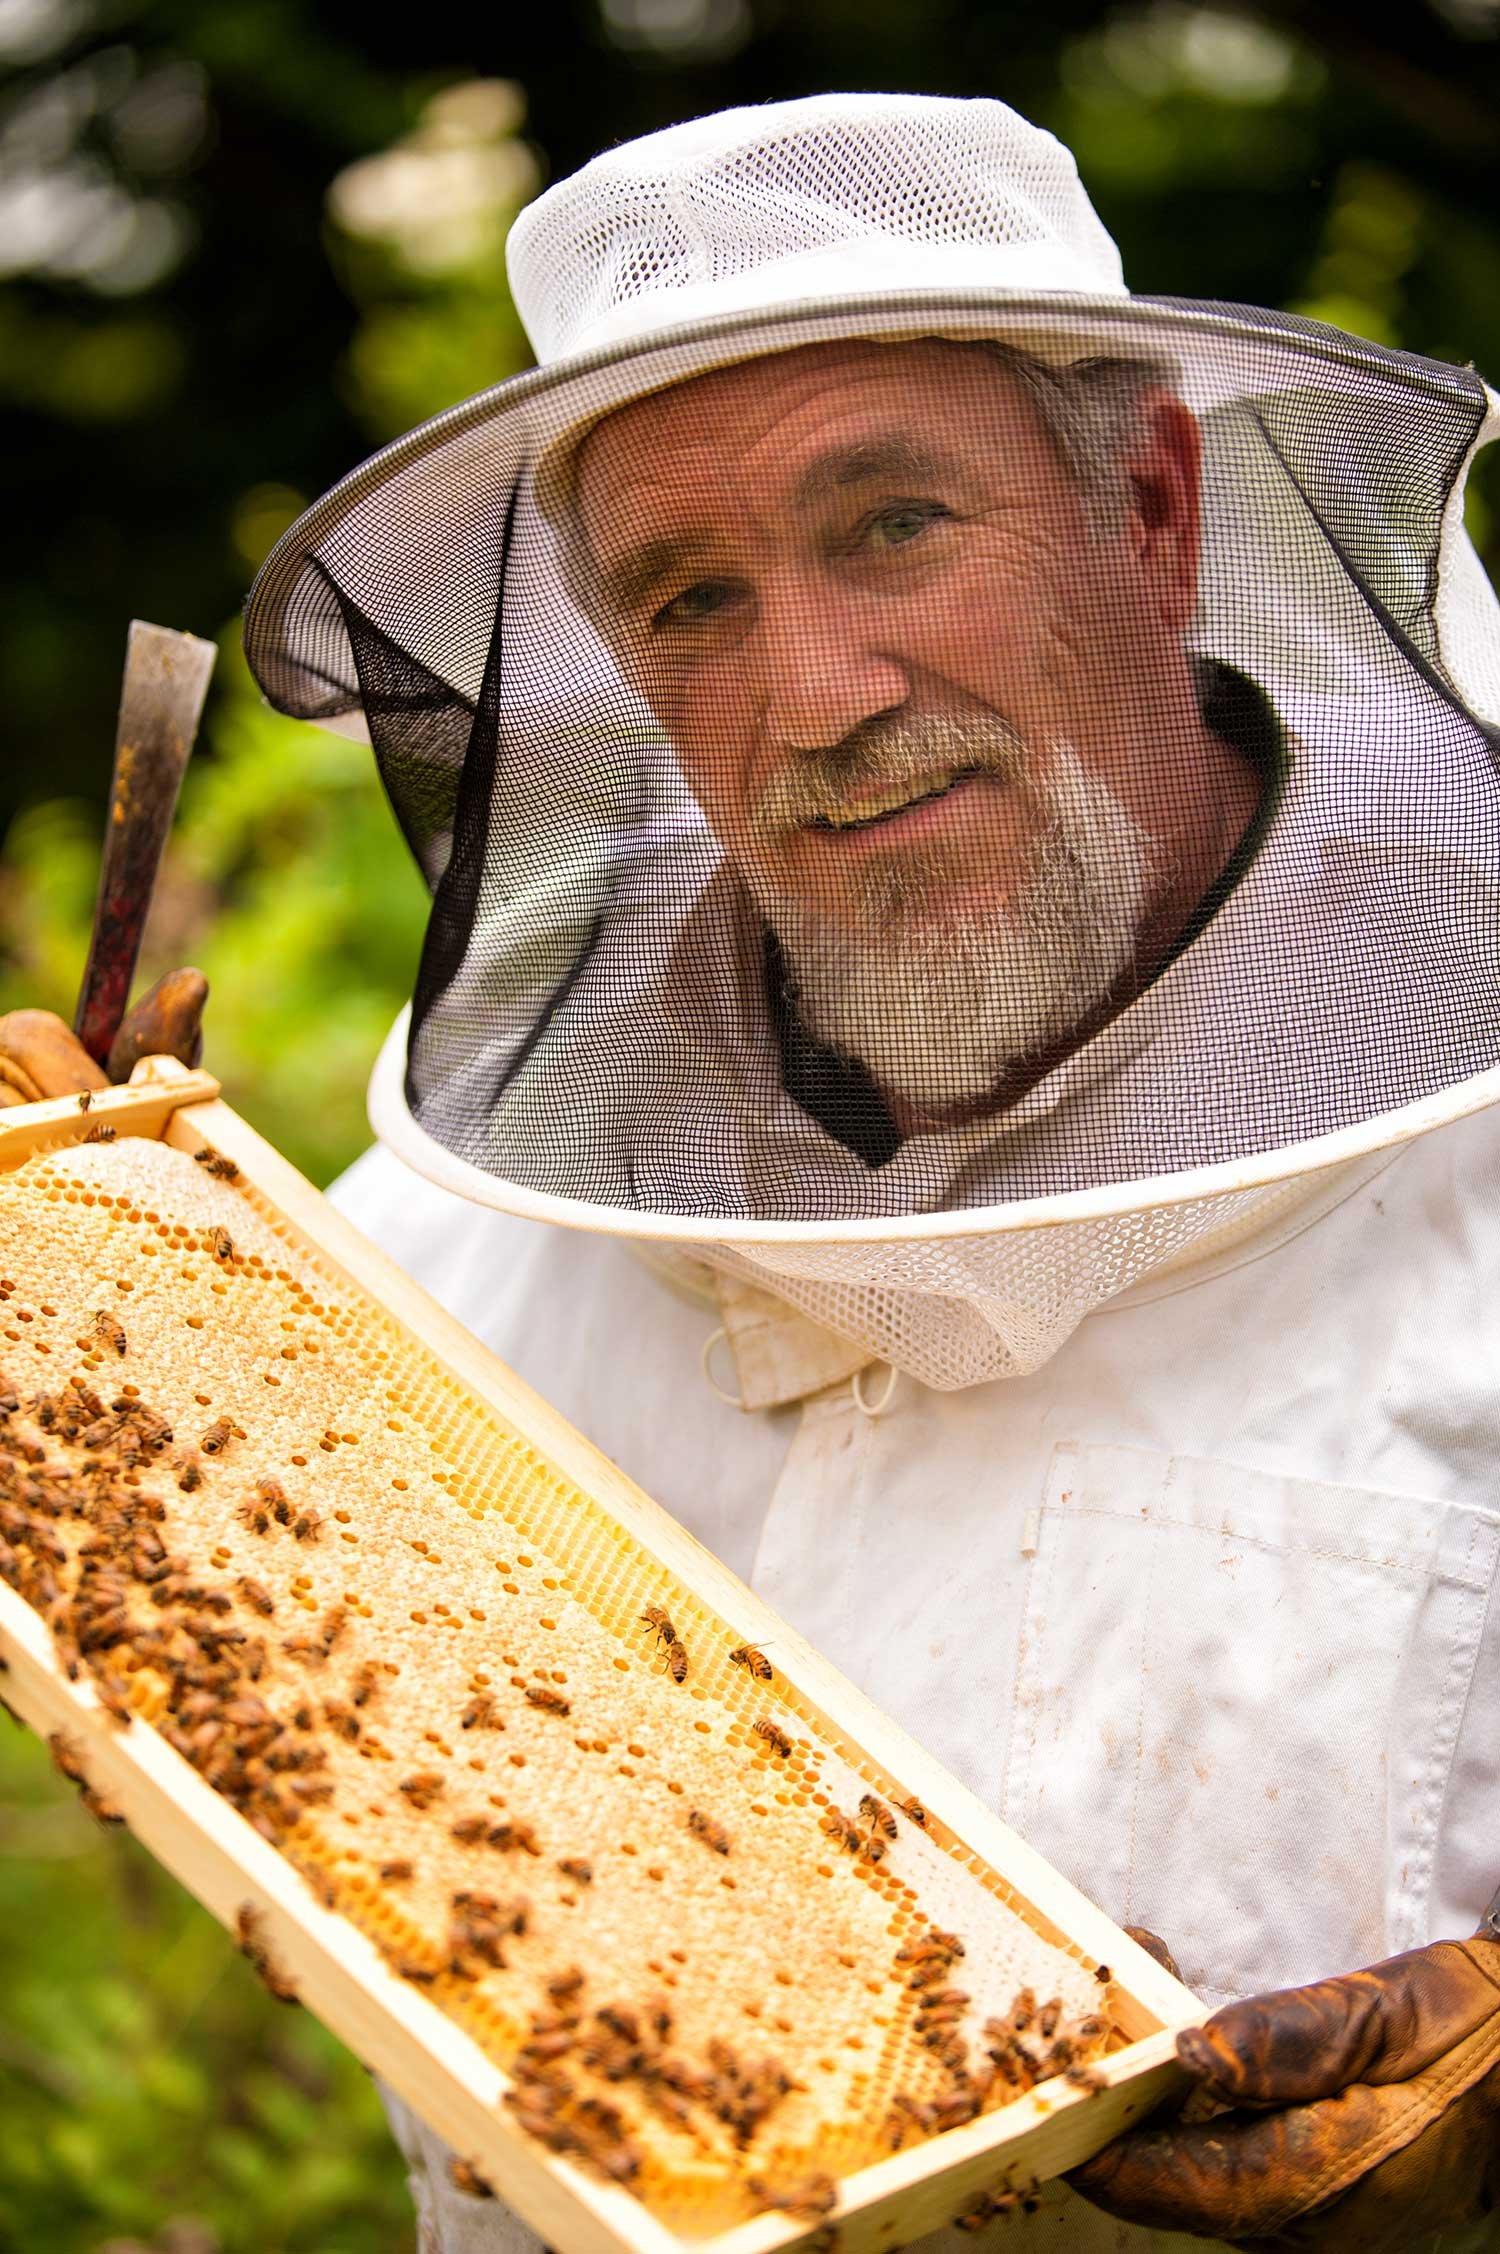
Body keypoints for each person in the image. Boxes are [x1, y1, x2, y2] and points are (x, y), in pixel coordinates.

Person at [17, 92, 1500, 2250]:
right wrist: (109, 1303)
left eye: (895, 521)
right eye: (690, 594)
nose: (813, 696)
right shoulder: (434, 1258)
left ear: (1156, 507)